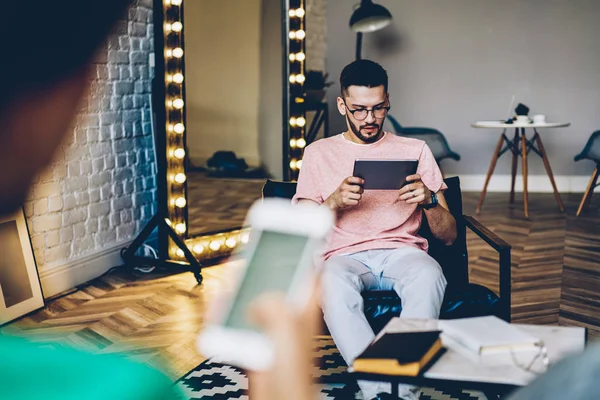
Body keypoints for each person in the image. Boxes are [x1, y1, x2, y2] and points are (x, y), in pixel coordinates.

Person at [293, 59, 457, 400]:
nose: (369, 119)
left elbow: (449, 235)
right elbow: (302, 229)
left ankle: (402, 390)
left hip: (403, 252)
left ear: (388, 102)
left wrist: (428, 201)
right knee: (331, 285)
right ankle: (381, 391)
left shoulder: (416, 150)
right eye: (359, 110)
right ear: (342, 105)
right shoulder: (317, 153)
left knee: (429, 276)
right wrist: (334, 201)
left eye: (378, 109)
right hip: (342, 256)